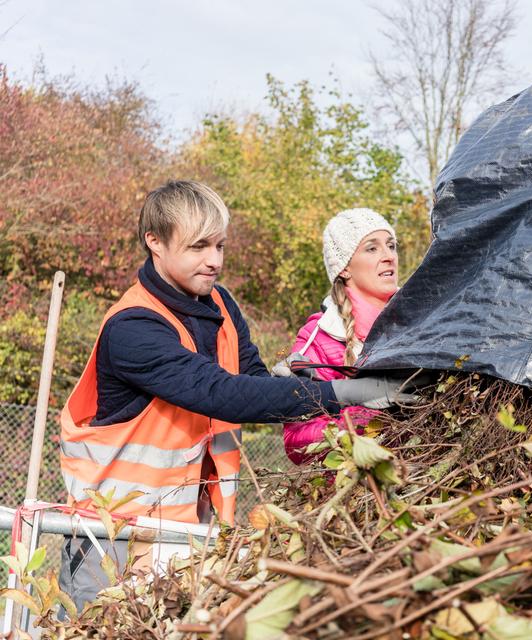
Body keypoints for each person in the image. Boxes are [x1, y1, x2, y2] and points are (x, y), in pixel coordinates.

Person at [57, 181, 409, 612]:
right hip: (113, 536)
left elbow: (253, 380)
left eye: (220, 245)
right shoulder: (133, 328)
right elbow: (221, 393)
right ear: (155, 242)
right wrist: (351, 391)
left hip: (190, 531)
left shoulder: (220, 304)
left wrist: (290, 379)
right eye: (199, 246)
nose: (215, 261)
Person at [277, 208, 399, 464]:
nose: (389, 256)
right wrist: (368, 415)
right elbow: (297, 441)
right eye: (372, 248)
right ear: (344, 269)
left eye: (391, 245)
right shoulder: (320, 337)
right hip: (361, 492)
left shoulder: (422, 321)